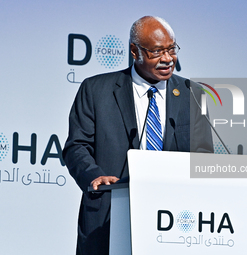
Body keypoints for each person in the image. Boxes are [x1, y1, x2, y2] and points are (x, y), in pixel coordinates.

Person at [63, 16, 213, 255]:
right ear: (135, 51)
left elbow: (203, 154)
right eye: (156, 51)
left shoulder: (191, 94)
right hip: (109, 216)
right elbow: (76, 147)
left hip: (173, 222)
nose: (167, 59)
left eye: (171, 49)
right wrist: (94, 177)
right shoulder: (96, 90)